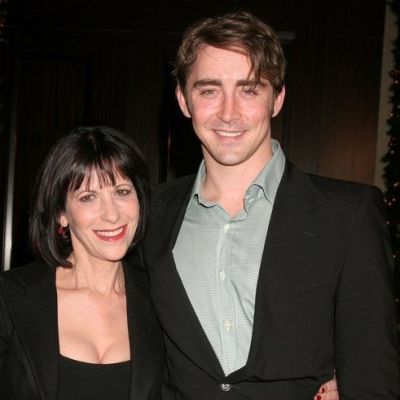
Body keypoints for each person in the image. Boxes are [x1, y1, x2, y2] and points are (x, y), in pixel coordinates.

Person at [140, 10, 400, 399]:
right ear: (183, 100)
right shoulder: (148, 213)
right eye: (209, 90)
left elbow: (372, 378)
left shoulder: (348, 214)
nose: (228, 113)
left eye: (249, 90)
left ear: (277, 98)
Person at [0, 126, 164, 399]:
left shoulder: (161, 300)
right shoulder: (9, 297)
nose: (111, 215)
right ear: (61, 213)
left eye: (122, 192)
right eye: (88, 197)